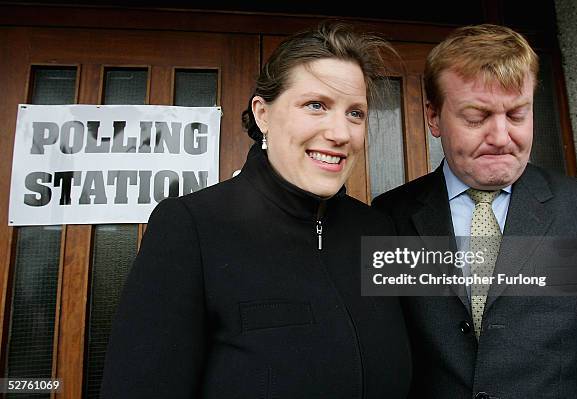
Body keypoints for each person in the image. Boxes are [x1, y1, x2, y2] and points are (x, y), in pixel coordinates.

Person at [100, 22, 411, 398]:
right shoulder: (192, 227)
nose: (341, 133)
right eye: (316, 105)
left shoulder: (378, 230)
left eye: (355, 113)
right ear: (263, 113)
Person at [373, 24, 577, 398]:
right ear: (434, 117)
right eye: (476, 117)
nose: (501, 137)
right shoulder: (389, 217)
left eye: (517, 115)